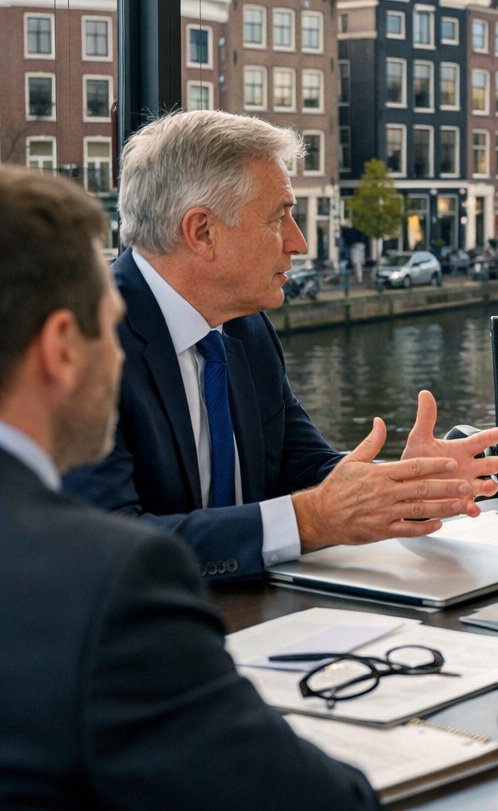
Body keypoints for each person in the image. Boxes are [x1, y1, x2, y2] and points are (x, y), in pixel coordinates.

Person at [0, 166, 379, 808]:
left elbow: (302, 462)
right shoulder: (108, 582)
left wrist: (384, 485)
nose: (120, 356)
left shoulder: (245, 329)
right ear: (62, 348)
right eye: (108, 324)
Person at [62, 111, 498, 580]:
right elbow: (106, 544)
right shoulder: (81, 345)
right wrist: (310, 520)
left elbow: (302, 468)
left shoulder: (244, 326)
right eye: (279, 217)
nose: (298, 242)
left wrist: (404, 485)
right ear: (202, 232)